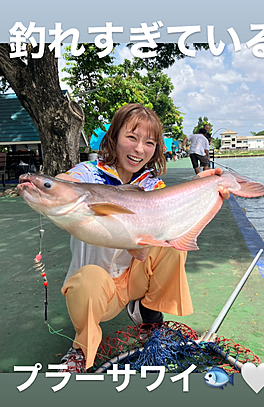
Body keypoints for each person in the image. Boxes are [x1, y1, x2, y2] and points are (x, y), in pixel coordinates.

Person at [56, 104, 193, 372]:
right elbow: (64, 182)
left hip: (133, 276)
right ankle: (80, 350)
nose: (139, 149)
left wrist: (210, 188)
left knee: (174, 245)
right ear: (115, 137)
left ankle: (148, 316)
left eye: (149, 142)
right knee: (88, 281)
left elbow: (174, 222)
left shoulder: (153, 186)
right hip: (101, 287)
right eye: (132, 137)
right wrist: (50, 187)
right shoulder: (88, 173)